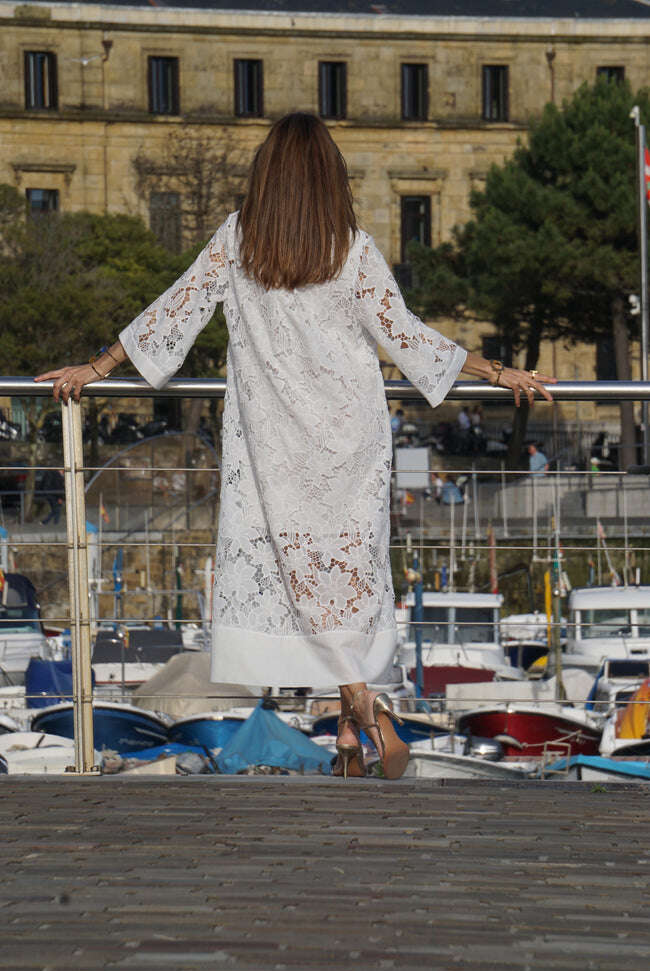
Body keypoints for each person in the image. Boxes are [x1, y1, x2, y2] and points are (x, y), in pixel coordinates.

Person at [35, 112, 556, 779]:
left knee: (299, 581)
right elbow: (406, 334)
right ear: (328, 177)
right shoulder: (351, 249)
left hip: (272, 444)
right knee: (339, 586)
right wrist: (498, 371)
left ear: (268, 175)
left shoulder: (238, 242)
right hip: (349, 443)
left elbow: (177, 310)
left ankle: (360, 717)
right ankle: (360, 721)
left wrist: (99, 366)